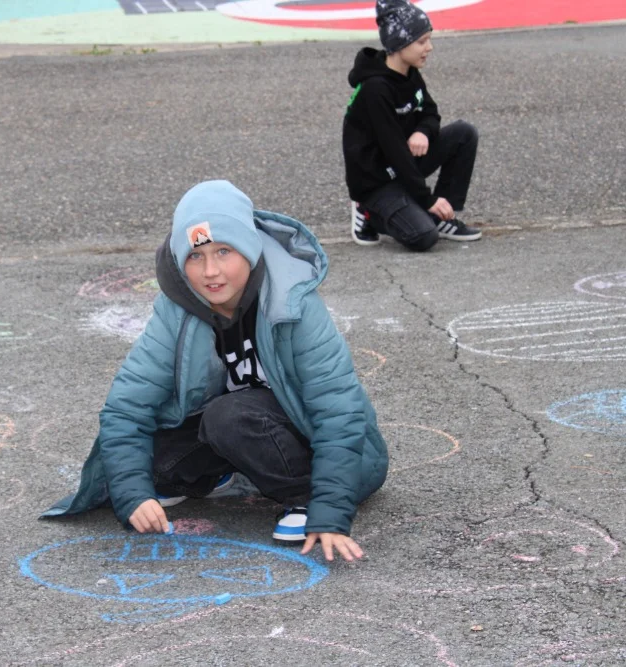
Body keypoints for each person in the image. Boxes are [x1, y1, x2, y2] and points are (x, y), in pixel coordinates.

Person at [42, 180, 388, 562]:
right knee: (146, 462)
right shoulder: (176, 309)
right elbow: (126, 407)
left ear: (249, 249)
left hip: (324, 449)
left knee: (230, 415)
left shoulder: (293, 303)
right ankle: (227, 475)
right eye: (195, 256)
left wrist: (330, 509)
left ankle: (303, 495)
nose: (211, 271)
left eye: (224, 251)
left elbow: (338, 411)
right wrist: (133, 496)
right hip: (245, 431)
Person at [344, 0, 481, 250]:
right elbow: (395, 151)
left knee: (464, 134)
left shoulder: (408, 72)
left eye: (429, 39)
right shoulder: (376, 90)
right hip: (376, 181)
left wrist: (422, 131)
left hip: (401, 166)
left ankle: (442, 217)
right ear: (399, 44)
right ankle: (368, 211)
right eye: (421, 42)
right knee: (423, 237)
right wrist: (426, 199)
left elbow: (431, 112)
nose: (429, 47)